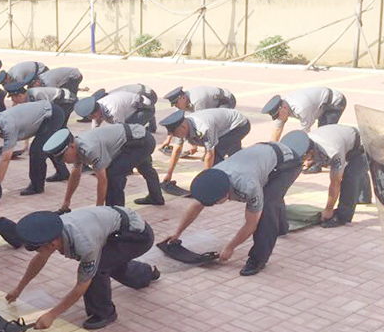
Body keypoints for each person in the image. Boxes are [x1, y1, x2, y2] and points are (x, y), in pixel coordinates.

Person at [165, 135, 305, 276]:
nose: (214, 205)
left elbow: (251, 224)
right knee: (271, 196)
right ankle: (282, 227)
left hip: (287, 164)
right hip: (262, 155)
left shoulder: (248, 186)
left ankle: (258, 260)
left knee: (267, 208)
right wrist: (177, 232)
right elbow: (196, 205)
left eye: (215, 203)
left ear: (226, 195)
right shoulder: (214, 176)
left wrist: (230, 247)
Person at [8, 207, 159, 330]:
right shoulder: (55, 230)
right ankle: (146, 274)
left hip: (137, 236)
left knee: (99, 267)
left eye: (38, 249)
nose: (39, 253)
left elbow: (82, 284)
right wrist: (18, 289)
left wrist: (52, 315)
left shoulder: (84, 243)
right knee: (112, 263)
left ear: (52, 244)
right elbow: (40, 259)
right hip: (117, 230)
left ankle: (104, 313)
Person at [45, 124, 164, 211]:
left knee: (114, 175)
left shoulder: (89, 150)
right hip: (136, 137)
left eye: (63, 157)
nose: (64, 161)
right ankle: (156, 197)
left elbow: (102, 180)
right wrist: (66, 202)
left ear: (71, 147)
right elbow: (75, 175)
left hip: (140, 142)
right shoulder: (77, 147)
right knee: (144, 168)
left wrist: (99, 209)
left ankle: (117, 214)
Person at [0, 100, 67, 195]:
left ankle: (37, 187)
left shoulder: (8, 127)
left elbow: (5, 159)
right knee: (44, 144)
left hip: (52, 116)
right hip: (45, 113)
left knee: (36, 150)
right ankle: (63, 173)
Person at [302, 125, 371, 227]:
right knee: (358, 170)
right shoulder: (306, 141)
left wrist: (328, 209)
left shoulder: (333, 151)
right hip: (348, 139)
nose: (304, 162)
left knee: (350, 177)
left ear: (311, 152)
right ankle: (364, 197)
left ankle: (343, 217)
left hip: (365, 144)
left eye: (305, 158)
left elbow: (335, 183)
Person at [159, 109, 251, 183]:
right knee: (234, 155)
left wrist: (206, 180)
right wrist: (169, 174)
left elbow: (210, 154)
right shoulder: (181, 126)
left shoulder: (204, 128)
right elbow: (177, 151)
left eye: (176, 134)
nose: (176, 136)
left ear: (183, 127)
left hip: (238, 125)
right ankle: (243, 172)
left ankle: (224, 184)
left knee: (216, 159)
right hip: (224, 126)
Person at [262, 87, 347, 142]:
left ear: (283, 108)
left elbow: (305, 132)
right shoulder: (282, 107)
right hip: (321, 104)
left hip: (334, 102)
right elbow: (277, 129)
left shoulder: (301, 108)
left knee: (324, 133)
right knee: (321, 134)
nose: (279, 118)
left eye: (279, 115)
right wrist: (273, 148)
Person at [74, 91, 155, 132]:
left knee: (131, 130)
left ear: (96, 112)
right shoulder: (97, 105)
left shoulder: (114, 112)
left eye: (92, 117)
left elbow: (121, 131)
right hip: (136, 104)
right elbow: (95, 126)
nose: (91, 119)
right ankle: (152, 126)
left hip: (145, 109)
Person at [163, 86, 237, 112]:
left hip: (226, 100)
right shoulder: (180, 102)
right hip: (213, 105)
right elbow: (178, 121)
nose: (177, 107)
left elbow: (201, 119)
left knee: (219, 124)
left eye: (177, 104)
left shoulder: (197, 100)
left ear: (183, 98)